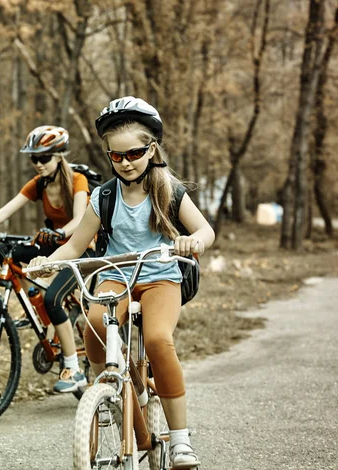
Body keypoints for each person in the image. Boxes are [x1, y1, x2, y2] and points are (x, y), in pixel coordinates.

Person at [27, 97, 215, 468]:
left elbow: (205, 229)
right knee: (94, 326)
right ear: (109, 156)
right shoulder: (104, 196)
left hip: (160, 278)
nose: (126, 162)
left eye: (134, 153)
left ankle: (179, 440)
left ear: (152, 149)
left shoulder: (168, 189)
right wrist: (45, 263)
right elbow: (76, 246)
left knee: (160, 340)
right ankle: (108, 395)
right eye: (117, 156)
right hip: (116, 276)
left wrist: (194, 241)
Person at [0, 125, 91, 393]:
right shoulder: (39, 184)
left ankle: (73, 368)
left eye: (43, 158)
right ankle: (39, 304)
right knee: (5, 252)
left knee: (54, 298)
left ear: (59, 155)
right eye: (33, 159)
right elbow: (4, 211)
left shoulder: (77, 180)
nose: (38, 164)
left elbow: (80, 220)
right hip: (52, 242)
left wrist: (59, 232)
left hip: (80, 246)